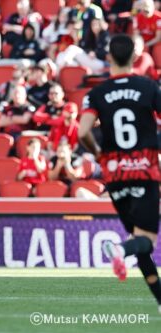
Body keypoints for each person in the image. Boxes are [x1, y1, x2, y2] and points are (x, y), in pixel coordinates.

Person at [78, 34, 161, 313]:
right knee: (144, 240)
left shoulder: (97, 93)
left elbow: (83, 132)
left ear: (109, 57)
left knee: (141, 243)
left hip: (115, 174)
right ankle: (119, 250)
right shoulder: (149, 87)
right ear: (135, 57)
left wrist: (100, 152)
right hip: (145, 169)